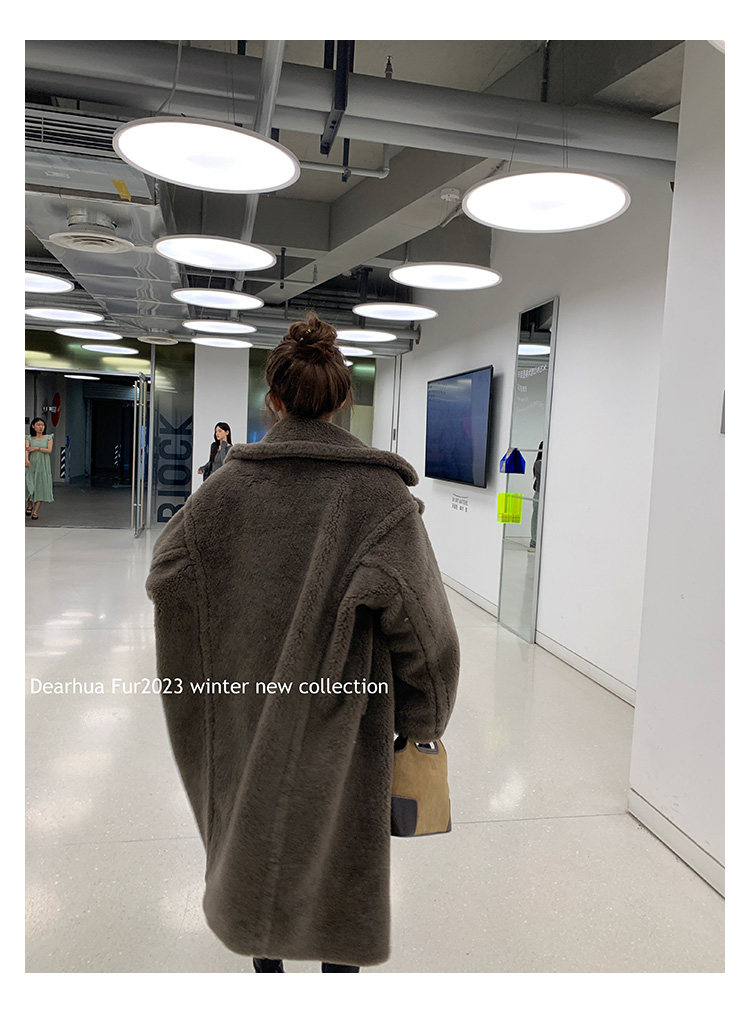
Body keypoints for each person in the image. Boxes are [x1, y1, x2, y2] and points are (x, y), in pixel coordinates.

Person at [145, 310, 460, 972]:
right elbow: (425, 631)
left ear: (275, 398)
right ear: (342, 400)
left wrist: (219, 651)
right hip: (343, 722)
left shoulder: (227, 487)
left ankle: (269, 969)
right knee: (340, 862)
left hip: (248, 705)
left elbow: (169, 572)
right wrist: (423, 722)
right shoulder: (380, 496)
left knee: (258, 850)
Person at [25, 417, 54, 520]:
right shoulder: (28, 438)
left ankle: (35, 512)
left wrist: (37, 448)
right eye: (38, 425)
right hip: (31, 464)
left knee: (41, 486)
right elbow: (26, 449)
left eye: (42, 425)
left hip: (43, 465)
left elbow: (49, 450)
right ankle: (29, 505)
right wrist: (26, 460)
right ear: (33, 426)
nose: (41, 427)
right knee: (29, 485)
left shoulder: (48, 437)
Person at [529, 440, 543, 552]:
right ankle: (534, 542)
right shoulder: (539, 463)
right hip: (539, 494)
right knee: (536, 518)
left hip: (542, 495)